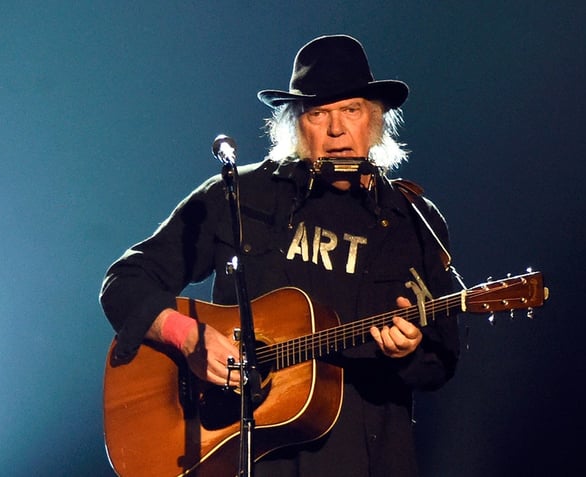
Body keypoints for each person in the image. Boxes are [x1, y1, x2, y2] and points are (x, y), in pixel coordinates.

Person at [99, 34, 460, 477]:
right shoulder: (239, 196)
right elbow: (125, 282)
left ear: (376, 119)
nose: (336, 130)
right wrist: (187, 338)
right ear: (294, 123)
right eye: (317, 113)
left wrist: (409, 351)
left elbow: (442, 363)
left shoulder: (413, 220)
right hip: (247, 457)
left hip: (370, 460)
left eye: (351, 111)